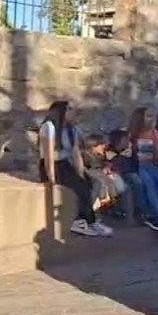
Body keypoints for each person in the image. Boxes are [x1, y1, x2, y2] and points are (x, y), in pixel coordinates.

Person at [38, 101, 112, 238]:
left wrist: (81, 171)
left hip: (66, 164)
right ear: (60, 112)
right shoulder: (49, 127)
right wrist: (51, 178)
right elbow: (48, 154)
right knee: (81, 187)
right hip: (53, 164)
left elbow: (75, 152)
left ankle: (84, 219)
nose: (73, 112)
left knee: (94, 183)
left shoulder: (71, 129)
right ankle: (87, 221)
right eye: (69, 109)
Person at [127, 107, 158, 233]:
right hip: (136, 165)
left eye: (152, 116)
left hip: (150, 165)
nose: (152, 119)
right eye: (148, 116)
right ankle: (157, 214)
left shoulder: (155, 134)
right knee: (148, 182)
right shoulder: (131, 134)